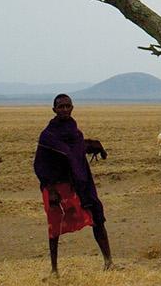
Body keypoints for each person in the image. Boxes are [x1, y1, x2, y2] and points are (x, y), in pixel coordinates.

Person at [34, 93, 112, 274]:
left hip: (80, 185)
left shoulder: (76, 133)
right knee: (54, 227)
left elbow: (77, 156)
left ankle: (109, 261)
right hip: (57, 186)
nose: (64, 109)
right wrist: (51, 189)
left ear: (72, 108)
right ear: (54, 110)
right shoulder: (47, 136)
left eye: (67, 106)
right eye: (60, 107)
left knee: (97, 218)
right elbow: (40, 164)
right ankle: (54, 269)